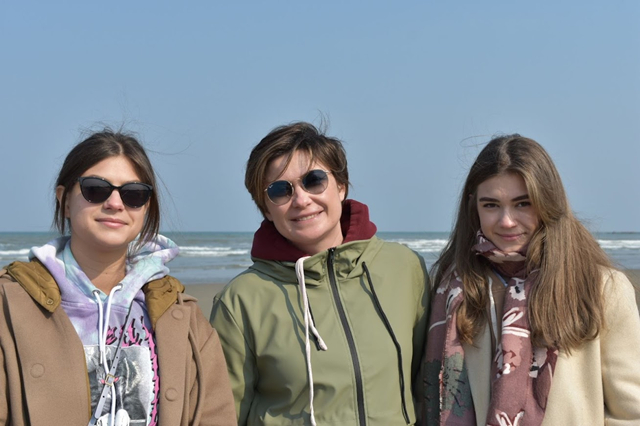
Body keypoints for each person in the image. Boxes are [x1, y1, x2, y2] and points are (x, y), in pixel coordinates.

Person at [0, 129, 236, 425]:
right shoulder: (10, 305)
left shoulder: (181, 315)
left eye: (134, 194)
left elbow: (215, 415)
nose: (115, 203)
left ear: (146, 208)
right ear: (65, 200)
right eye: (96, 189)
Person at [210, 122, 430, 425]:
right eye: (280, 190)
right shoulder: (241, 300)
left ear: (341, 186)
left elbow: (426, 386)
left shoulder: (405, 269)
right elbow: (224, 414)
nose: (301, 199)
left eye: (314, 181)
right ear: (265, 208)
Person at [420, 134, 640, 425]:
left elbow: (630, 412)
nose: (506, 220)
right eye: (491, 205)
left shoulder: (602, 289)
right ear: (473, 207)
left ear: (547, 202)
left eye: (523, 204)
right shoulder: (453, 288)